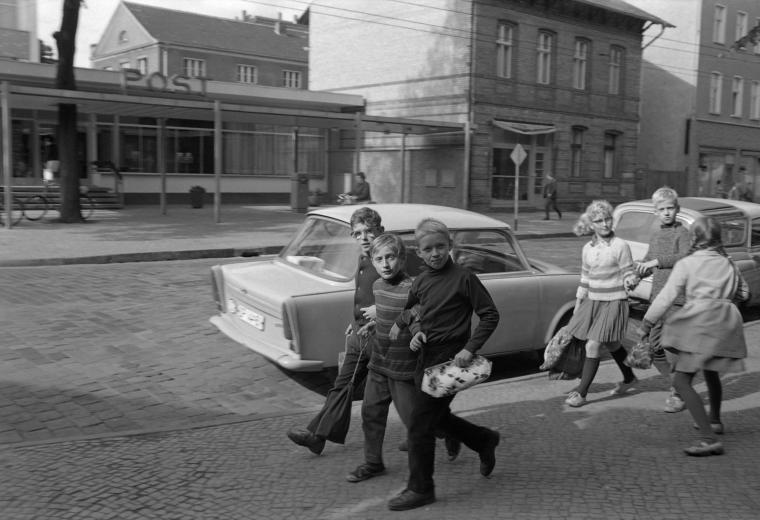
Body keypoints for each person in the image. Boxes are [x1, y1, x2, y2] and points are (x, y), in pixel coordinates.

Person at [387, 218, 500, 511]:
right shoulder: (422, 281)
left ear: (449, 246)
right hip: (424, 357)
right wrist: (414, 328)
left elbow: (489, 315)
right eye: (428, 249)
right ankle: (484, 439)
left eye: (440, 246)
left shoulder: (464, 278)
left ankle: (421, 489)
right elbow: (412, 308)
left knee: (419, 426)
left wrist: (469, 348)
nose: (435, 253)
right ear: (419, 253)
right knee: (434, 418)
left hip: (451, 361)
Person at [639, 216, 749, 457]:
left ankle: (708, 438)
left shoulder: (687, 264)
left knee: (681, 382)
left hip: (699, 324)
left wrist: (646, 323)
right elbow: (744, 292)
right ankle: (716, 421)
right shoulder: (728, 263)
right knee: (711, 373)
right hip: (724, 324)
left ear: (695, 239)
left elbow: (666, 297)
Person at [286, 207, 384, 454]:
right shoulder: (363, 258)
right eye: (357, 233)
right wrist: (354, 322)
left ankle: (447, 430)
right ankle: (317, 436)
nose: (363, 238)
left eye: (369, 232)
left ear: (380, 232)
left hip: (384, 341)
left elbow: (408, 294)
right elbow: (362, 296)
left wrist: (380, 313)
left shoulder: (388, 259)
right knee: (342, 385)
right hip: (361, 337)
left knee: (407, 398)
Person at [345, 233, 420, 483]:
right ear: (373, 261)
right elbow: (386, 316)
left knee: (415, 421)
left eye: (390, 257)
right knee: (371, 413)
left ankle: (454, 435)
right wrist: (374, 326)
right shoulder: (377, 286)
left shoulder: (413, 289)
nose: (385, 264)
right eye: (379, 259)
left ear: (402, 258)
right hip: (378, 363)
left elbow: (419, 317)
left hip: (403, 369)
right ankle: (373, 462)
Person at [564, 200, 639, 408]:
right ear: (591, 224)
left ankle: (582, 392)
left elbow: (628, 272)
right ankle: (629, 377)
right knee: (612, 343)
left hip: (614, 302)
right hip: (593, 301)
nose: (605, 224)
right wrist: (578, 306)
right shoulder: (587, 248)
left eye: (607, 219)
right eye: (599, 221)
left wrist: (631, 279)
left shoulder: (620, 246)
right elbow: (585, 278)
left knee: (593, 344)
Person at [634, 187, 690, 413]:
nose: (666, 213)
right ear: (656, 212)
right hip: (657, 298)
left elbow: (685, 258)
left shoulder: (683, 232)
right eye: (662, 209)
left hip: (677, 299)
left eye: (670, 208)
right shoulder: (656, 234)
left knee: (671, 347)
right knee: (653, 347)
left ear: (677, 209)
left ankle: (678, 393)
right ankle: (679, 383)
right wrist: (637, 273)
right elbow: (649, 260)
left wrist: (656, 262)